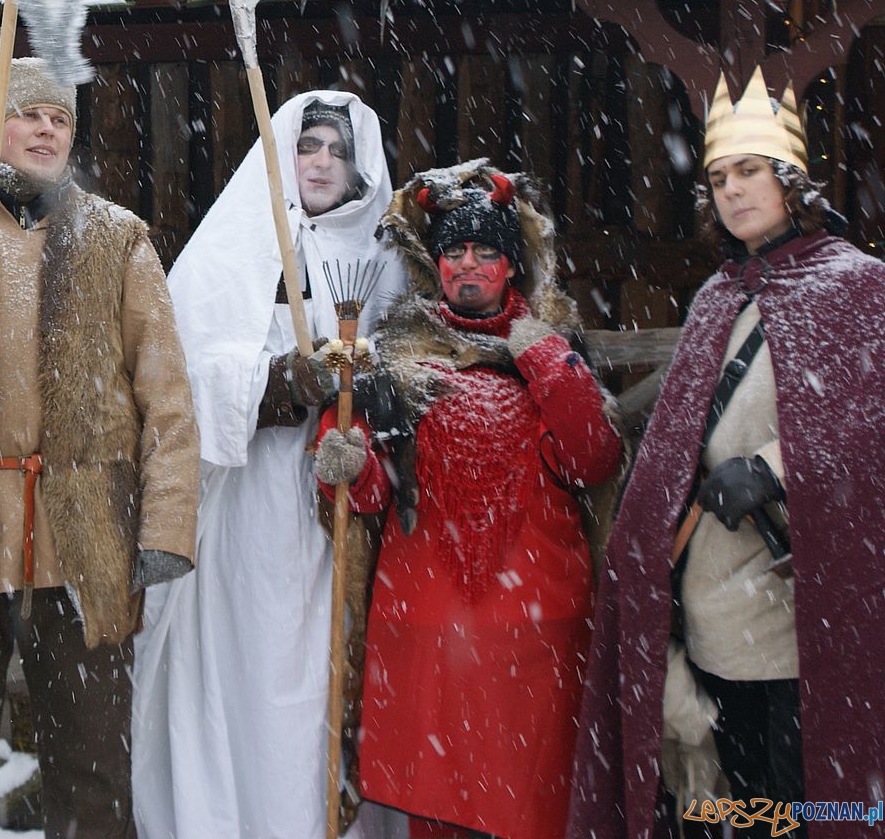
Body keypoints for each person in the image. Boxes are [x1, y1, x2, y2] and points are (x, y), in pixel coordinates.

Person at [0, 56, 200, 839]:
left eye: (59, 117)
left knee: (92, 769)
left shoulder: (118, 241)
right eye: (29, 115)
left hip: (86, 534)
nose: (48, 128)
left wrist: (164, 528)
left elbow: (167, 397)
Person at [568, 70, 885, 839]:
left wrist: (777, 467)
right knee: (735, 813)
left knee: (817, 801)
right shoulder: (716, 296)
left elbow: (870, 424)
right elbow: (672, 451)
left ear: (790, 181)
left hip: (805, 608)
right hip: (715, 611)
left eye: (749, 171)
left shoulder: (859, 287)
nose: (732, 191)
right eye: (717, 178)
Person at [317, 160, 624, 839]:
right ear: (438, 263)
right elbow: (365, 495)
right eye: (455, 250)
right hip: (429, 627)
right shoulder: (393, 361)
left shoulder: (552, 352)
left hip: (535, 633)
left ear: (512, 266)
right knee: (442, 810)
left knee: (534, 803)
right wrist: (344, 460)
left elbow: (591, 456)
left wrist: (542, 357)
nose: (470, 264)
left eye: (487, 251)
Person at [131, 91, 407, 839]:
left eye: (338, 150)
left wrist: (361, 399)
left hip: (340, 502)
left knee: (328, 670)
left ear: (362, 166)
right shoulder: (241, 237)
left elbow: (411, 369)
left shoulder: (385, 256)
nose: (321, 161)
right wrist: (279, 380)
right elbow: (183, 368)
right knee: (257, 672)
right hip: (252, 501)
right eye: (309, 145)